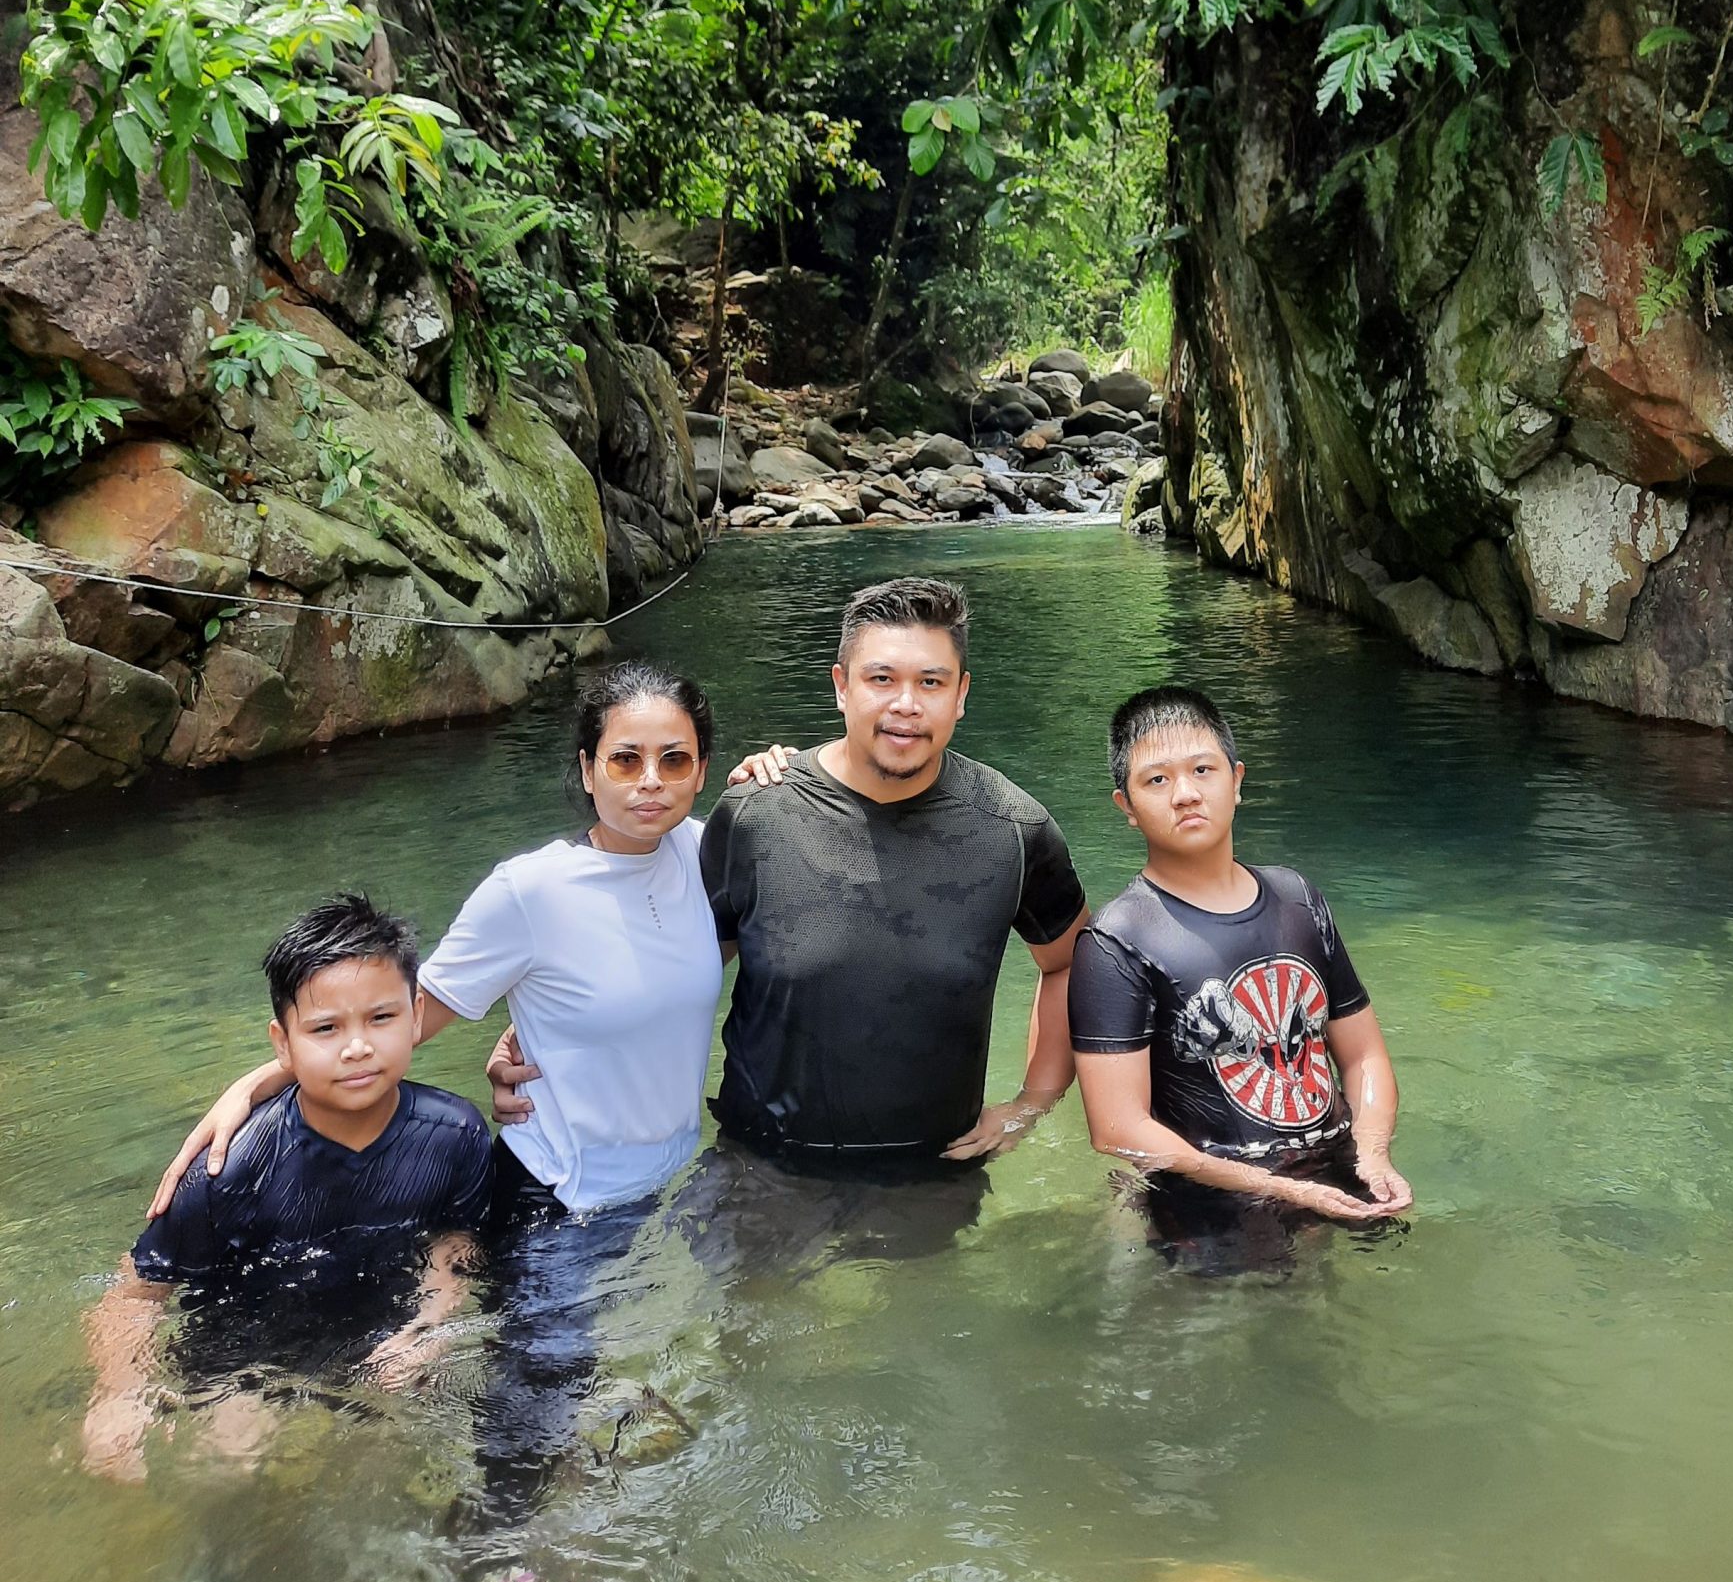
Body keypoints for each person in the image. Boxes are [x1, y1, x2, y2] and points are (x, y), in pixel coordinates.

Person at [141, 663, 728, 1521]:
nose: (649, 783)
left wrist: (778, 767)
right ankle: (487, 1564)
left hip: (666, 1176)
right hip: (561, 1195)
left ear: (702, 769)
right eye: (624, 758)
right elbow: (391, 1022)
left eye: (673, 761)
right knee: (538, 1394)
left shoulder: (709, 851)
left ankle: (568, 1517)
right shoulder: (529, 891)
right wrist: (259, 1081)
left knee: (632, 1366)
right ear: (585, 766)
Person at [494, 577, 1090, 1203]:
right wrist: (543, 1038)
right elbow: (672, 963)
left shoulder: (1012, 829)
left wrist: (1032, 1103)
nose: (906, 704)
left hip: (933, 1167)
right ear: (841, 686)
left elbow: (1071, 962)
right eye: (881, 679)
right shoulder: (759, 813)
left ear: (962, 695)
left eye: (932, 682)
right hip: (761, 1167)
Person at [83, 894, 491, 1480]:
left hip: (379, 1320)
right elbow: (137, 1288)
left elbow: (454, 1240)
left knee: (385, 1464)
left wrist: (428, 1327)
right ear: (283, 1043)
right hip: (245, 1339)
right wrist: (118, 1392)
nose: (357, 1047)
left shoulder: (455, 1134)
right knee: (227, 1463)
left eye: (381, 1018)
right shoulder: (231, 1165)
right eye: (326, 1028)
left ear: (416, 1013)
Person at [1069, 684, 1411, 1262]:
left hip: (1336, 1167)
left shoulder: (1297, 899)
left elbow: (1363, 1056)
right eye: (1156, 780)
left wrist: (1372, 1153)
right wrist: (1283, 1189)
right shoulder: (1117, 940)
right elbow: (1117, 1127)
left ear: (1236, 779)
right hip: (1206, 1200)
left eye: (1203, 769)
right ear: (1125, 806)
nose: (1184, 794)